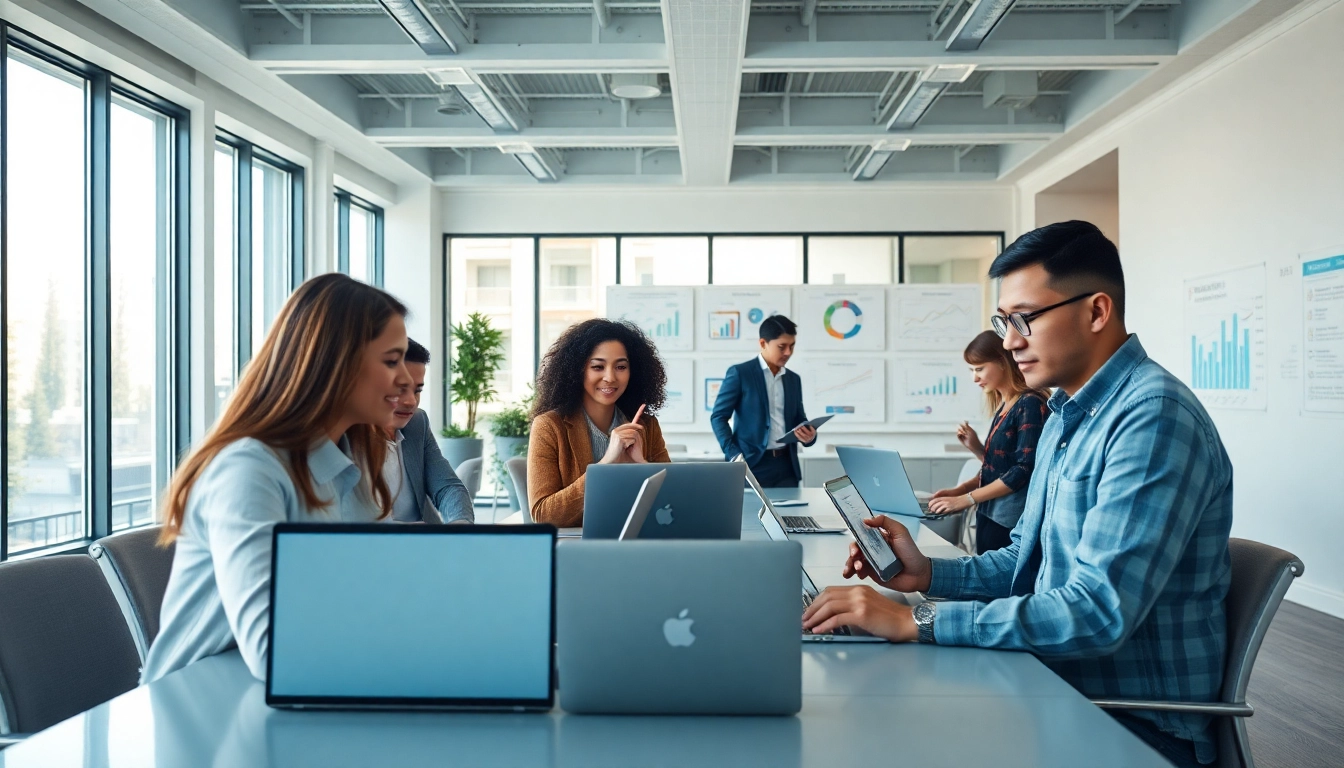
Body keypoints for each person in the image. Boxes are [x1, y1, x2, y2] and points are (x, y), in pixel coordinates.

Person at [802, 221, 1232, 768]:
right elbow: (1024, 562)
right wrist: (928, 577)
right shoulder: (1064, 416)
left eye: (1024, 319)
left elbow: (1097, 613)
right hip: (1052, 684)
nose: (1009, 341)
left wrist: (917, 620)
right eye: (1003, 321)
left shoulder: (1151, 419)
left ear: (1096, 312)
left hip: (1128, 722)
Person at [142, 274, 412, 683]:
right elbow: (276, 650)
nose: (407, 379)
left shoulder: (358, 463)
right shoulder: (248, 470)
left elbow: (384, 599)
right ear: (334, 362)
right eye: (391, 361)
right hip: (200, 715)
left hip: (282, 702)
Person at [527, 319, 671, 527]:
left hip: (638, 546)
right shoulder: (549, 426)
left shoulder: (646, 426)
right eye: (598, 366)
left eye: (621, 367)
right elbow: (543, 515)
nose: (610, 377)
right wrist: (604, 466)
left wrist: (642, 466)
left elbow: (673, 504)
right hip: (579, 549)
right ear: (578, 370)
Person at [927, 330, 1050, 553]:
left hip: (1009, 522)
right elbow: (999, 468)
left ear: (1003, 362)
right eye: (972, 370)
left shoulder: (1030, 404)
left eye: (979, 369)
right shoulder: (1004, 406)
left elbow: (1023, 471)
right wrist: (961, 487)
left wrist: (967, 498)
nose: (975, 378)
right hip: (990, 514)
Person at [710, 315, 817, 488]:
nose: (788, 352)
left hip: (787, 468)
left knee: (788, 515)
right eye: (782, 347)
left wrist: (810, 436)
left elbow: (799, 419)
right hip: (751, 465)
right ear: (762, 343)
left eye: (792, 346)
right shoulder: (740, 373)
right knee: (750, 514)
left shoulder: (793, 379)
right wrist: (733, 454)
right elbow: (718, 417)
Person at [382, 338, 474, 524]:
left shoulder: (417, 423)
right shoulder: (345, 437)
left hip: (426, 545)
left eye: (417, 390)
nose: (411, 402)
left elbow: (448, 487)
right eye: (400, 389)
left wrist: (460, 526)